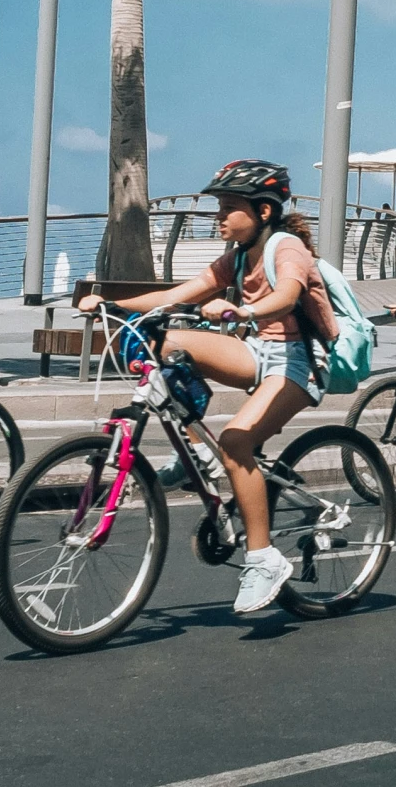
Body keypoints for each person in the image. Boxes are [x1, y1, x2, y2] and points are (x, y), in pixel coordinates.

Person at [77, 159, 339, 616]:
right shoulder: (237, 255)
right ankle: (196, 450)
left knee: (238, 441)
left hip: (300, 362)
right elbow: (179, 294)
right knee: (163, 341)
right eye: (218, 206)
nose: (218, 216)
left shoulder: (286, 246)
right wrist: (113, 304)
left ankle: (263, 560)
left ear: (262, 211)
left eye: (229, 207)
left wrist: (244, 314)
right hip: (257, 350)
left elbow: (288, 296)